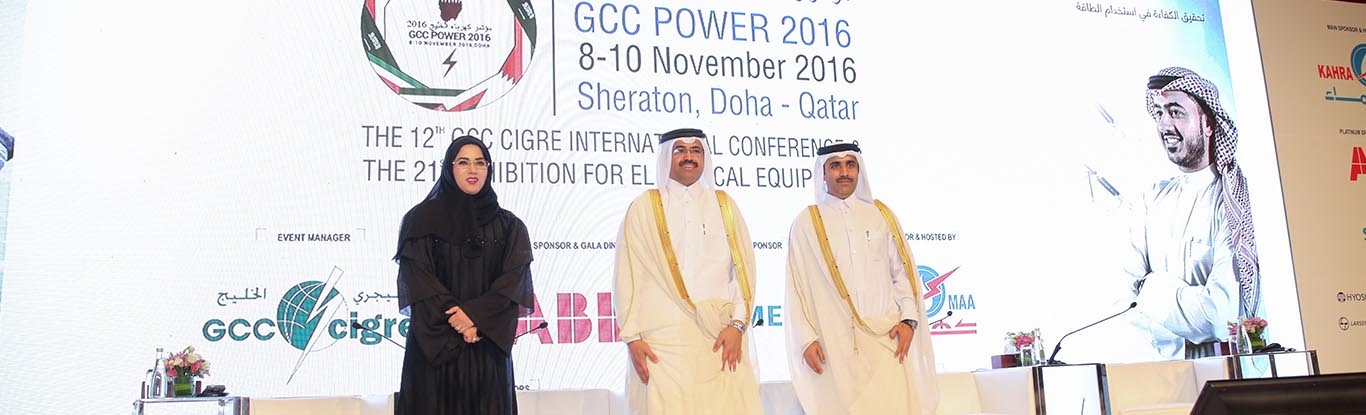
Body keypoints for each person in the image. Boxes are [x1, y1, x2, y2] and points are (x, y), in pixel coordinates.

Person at [613, 128, 762, 414]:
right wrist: (632, 337)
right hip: (662, 344)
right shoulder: (644, 207)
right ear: (666, 156)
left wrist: (737, 325)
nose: (689, 157)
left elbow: (743, 272)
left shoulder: (724, 206)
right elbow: (628, 273)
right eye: (680, 150)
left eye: (696, 150)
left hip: (719, 339)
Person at [783, 142, 939, 415]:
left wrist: (908, 320)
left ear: (859, 170)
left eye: (850, 165)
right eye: (835, 166)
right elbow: (795, 287)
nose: (844, 172)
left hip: (887, 342)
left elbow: (901, 274)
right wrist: (806, 339)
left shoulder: (881, 215)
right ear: (823, 173)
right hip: (834, 347)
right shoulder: (806, 223)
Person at [1126, 67, 1262, 359]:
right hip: (1158, 372)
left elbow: (1219, 317)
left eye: (1176, 112)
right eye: (1159, 113)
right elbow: (1122, 304)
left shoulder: (1232, 201)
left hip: (1225, 373)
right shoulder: (1151, 198)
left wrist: (1151, 288)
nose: (1164, 124)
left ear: (1208, 123)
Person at [393, 135, 535, 415]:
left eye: (480, 163)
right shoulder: (419, 221)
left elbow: (512, 284)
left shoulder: (510, 227)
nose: (473, 170)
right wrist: (460, 321)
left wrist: (475, 319)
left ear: (489, 169)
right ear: (449, 168)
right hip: (434, 352)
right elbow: (419, 280)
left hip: (486, 348)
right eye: (463, 162)